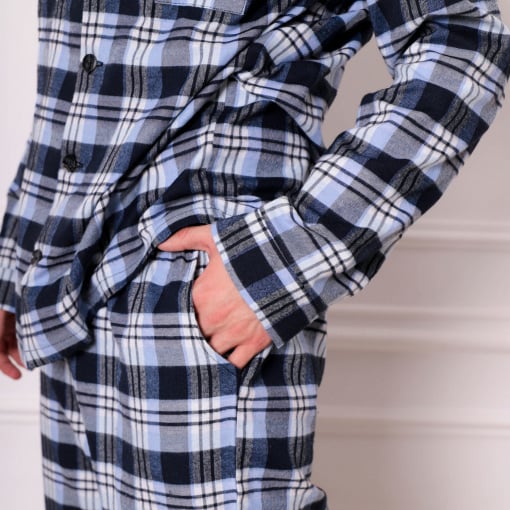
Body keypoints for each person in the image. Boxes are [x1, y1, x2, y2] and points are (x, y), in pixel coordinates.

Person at [1, 0, 509, 508]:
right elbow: (70, 91)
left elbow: (464, 38)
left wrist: (286, 258)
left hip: (194, 313)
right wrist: (16, 264)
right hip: (63, 306)